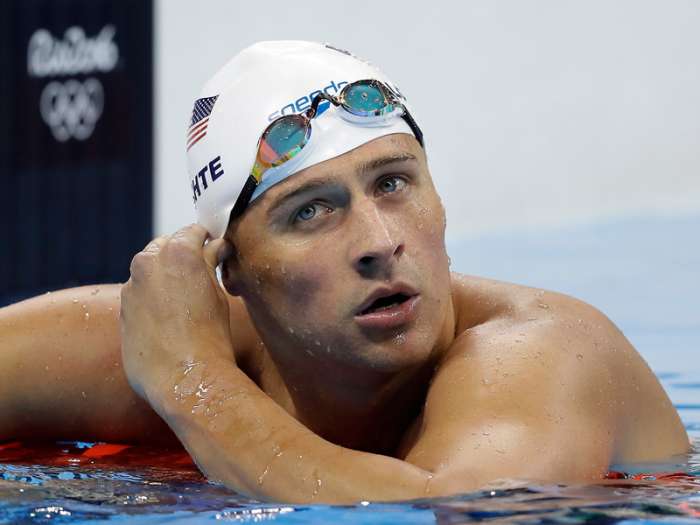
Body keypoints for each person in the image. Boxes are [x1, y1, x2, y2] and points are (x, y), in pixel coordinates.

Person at [0, 41, 689, 503]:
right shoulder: (171, 336)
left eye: (393, 183)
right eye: (311, 212)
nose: (379, 240)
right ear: (231, 270)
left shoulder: (546, 349)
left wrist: (191, 385)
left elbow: (447, 513)